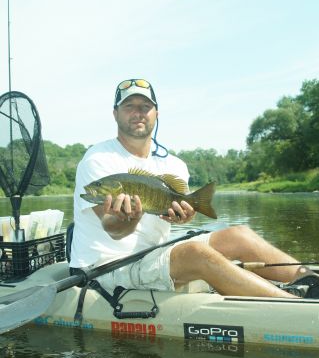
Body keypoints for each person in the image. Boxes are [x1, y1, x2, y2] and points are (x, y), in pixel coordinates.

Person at [70, 78, 318, 298]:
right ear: (115, 114)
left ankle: (310, 281)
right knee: (195, 252)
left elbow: (170, 214)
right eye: (129, 107)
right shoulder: (98, 160)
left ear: (156, 113)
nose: (138, 113)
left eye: (145, 107)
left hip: (153, 255)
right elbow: (113, 230)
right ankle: (295, 306)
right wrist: (131, 218)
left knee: (239, 234)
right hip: (108, 267)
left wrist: (183, 216)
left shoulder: (173, 164)